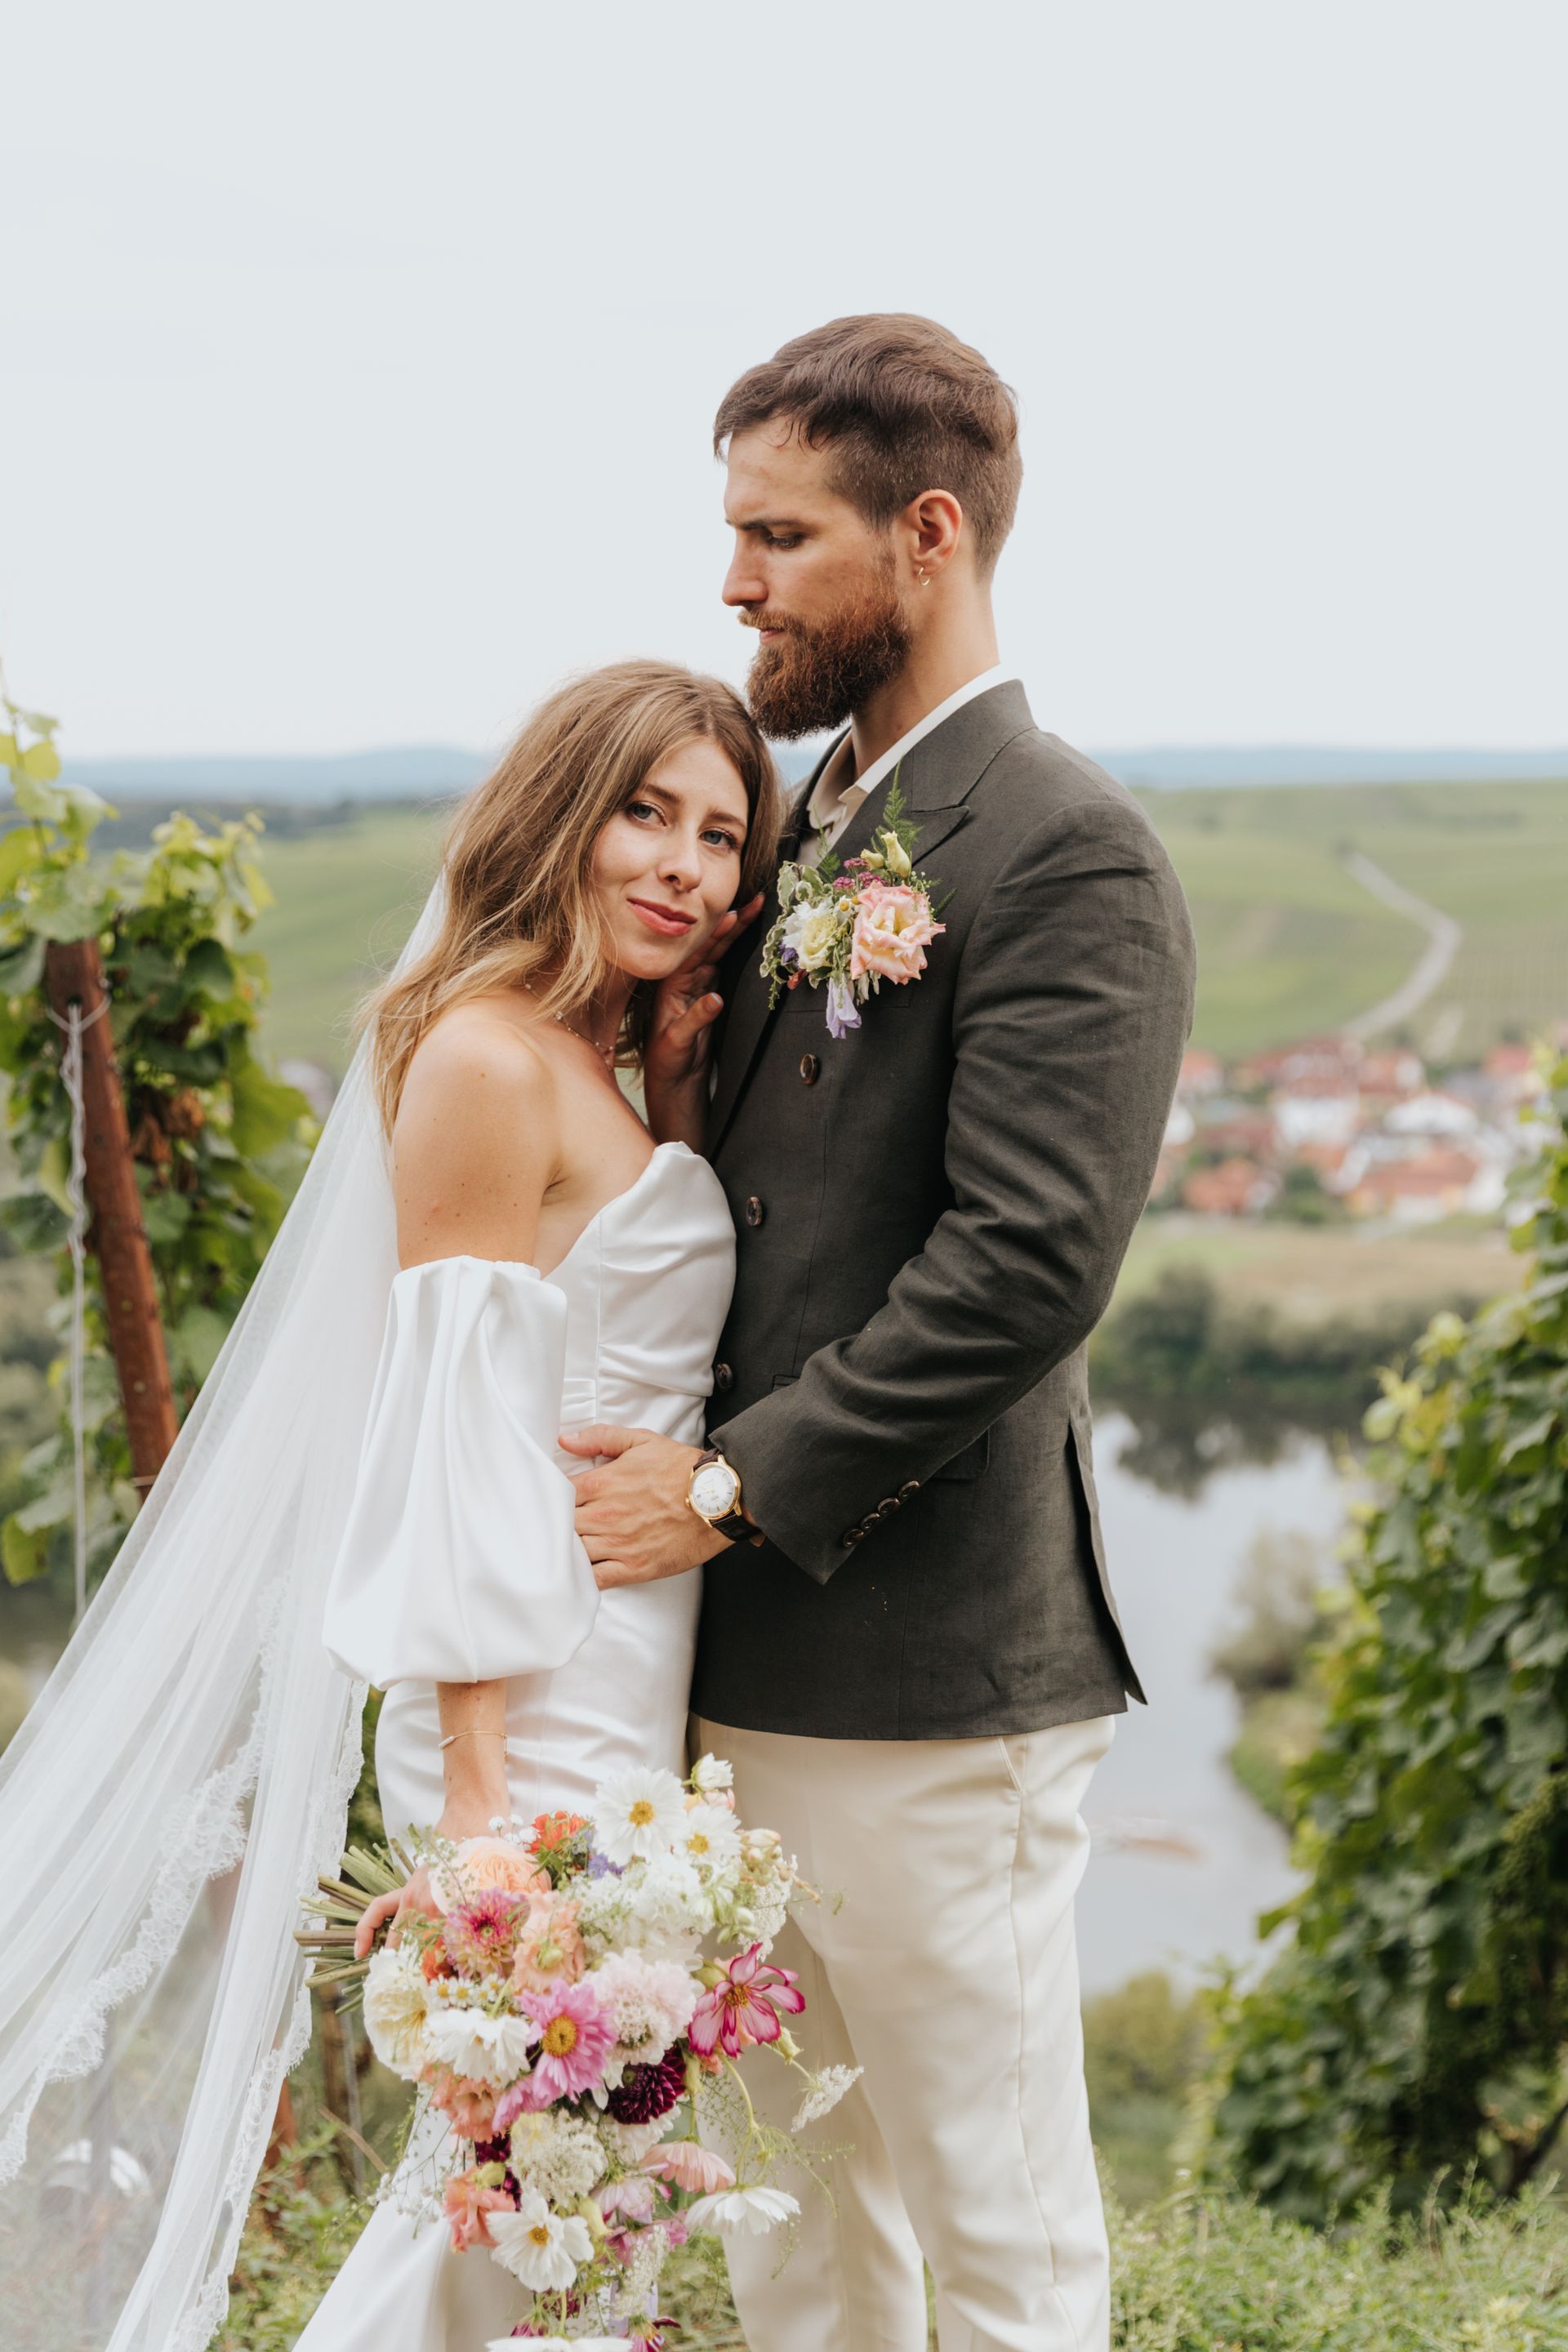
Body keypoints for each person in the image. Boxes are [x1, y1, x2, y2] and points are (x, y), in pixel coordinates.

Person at [0, 659, 777, 2350]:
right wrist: (481, 1791)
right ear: (559, 815)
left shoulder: (590, 1055)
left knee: (571, 2190)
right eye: (646, 813)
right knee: (524, 2190)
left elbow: (612, 1298)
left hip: (625, 1667)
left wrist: (680, 1098)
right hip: (526, 1691)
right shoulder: (485, 1061)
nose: (687, 868)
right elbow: (451, 1439)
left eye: (723, 834)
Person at [564, 315, 1197, 2352]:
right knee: (795, 2230)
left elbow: (1026, 1261)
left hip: (934, 1685)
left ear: (927, 534)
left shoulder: (1069, 847)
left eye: (777, 535)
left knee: (996, 2240)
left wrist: (732, 1484)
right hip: (721, 1671)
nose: (735, 581)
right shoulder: (791, 822)